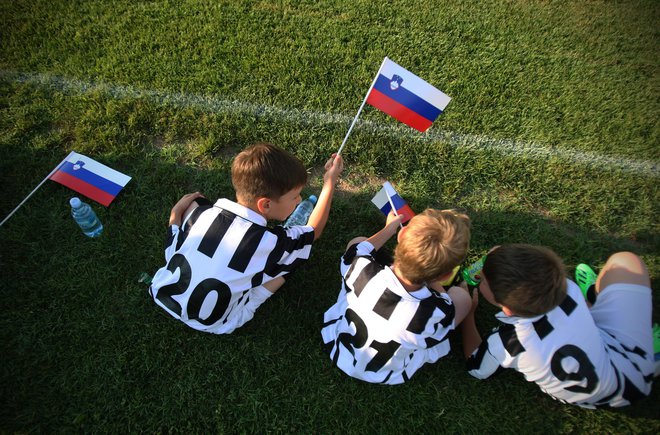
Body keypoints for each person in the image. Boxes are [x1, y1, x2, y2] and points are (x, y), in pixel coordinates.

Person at [149, 142, 344, 334]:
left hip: (161, 291)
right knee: (289, 263)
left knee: (195, 205)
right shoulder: (271, 243)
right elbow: (313, 231)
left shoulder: (202, 214)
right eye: (294, 197)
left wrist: (175, 214)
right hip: (219, 323)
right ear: (266, 205)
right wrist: (330, 182)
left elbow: (174, 248)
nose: (299, 200)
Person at [461, 244, 655, 408]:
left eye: (483, 280)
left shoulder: (509, 343)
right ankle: (596, 300)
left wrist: (468, 313)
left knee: (625, 263)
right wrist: (496, 258)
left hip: (621, 366)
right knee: (626, 260)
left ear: (508, 310)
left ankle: (596, 300)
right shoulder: (567, 288)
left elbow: (476, 367)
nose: (480, 277)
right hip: (635, 369)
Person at [321, 208, 473, 384]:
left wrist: (389, 228)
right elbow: (446, 309)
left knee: (358, 241)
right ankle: (447, 280)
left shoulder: (361, 268)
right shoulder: (434, 312)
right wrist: (431, 277)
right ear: (446, 276)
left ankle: (415, 268)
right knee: (462, 299)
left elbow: (358, 248)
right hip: (384, 373)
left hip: (336, 344)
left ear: (401, 235)